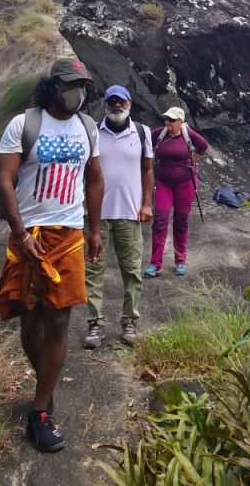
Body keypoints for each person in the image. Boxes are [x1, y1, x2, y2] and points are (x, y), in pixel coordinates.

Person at [0, 57, 104, 453]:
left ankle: (39, 413)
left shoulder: (87, 128)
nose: (80, 91)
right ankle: (45, 381)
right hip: (30, 235)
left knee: (59, 320)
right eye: (73, 83)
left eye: (85, 85)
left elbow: (94, 178)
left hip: (69, 235)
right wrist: (19, 232)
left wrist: (94, 229)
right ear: (54, 85)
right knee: (30, 318)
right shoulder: (24, 125)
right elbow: (4, 180)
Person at [83, 85, 153, 349]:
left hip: (130, 213)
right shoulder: (92, 133)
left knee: (132, 271)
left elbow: (147, 170)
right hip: (96, 215)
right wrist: (82, 199)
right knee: (93, 272)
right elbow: (83, 169)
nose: (116, 106)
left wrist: (146, 204)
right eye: (111, 102)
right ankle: (95, 325)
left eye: (121, 102)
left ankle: (130, 322)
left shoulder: (143, 133)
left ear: (129, 104)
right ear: (105, 105)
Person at [144, 106, 209, 278]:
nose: (167, 123)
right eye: (166, 119)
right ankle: (155, 264)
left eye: (171, 120)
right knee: (160, 220)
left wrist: (191, 160)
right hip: (163, 183)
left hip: (184, 184)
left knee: (181, 222)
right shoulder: (160, 133)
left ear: (181, 122)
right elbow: (145, 146)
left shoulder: (188, 134)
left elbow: (203, 146)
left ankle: (180, 261)